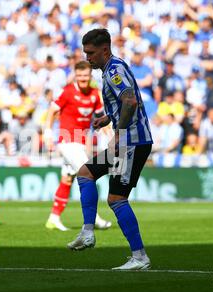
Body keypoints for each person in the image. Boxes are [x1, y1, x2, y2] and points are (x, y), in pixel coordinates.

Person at [67, 29, 153, 270]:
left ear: (105, 49)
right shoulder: (111, 69)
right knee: (85, 173)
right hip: (129, 141)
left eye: (91, 53)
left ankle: (140, 257)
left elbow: (130, 100)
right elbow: (126, 100)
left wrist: (119, 132)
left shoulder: (114, 70)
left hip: (132, 143)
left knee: (116, 199)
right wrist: (108, 117)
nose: (88, 58)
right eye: (85, 53)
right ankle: (87, 232)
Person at [43, 60, 112, 231]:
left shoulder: (95, 94)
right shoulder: (67, 92)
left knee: (67, 178)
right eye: (79, 75)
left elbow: (99, 119)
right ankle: (93, 218)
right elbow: (52, 111)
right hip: (67, 142)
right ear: (75, 75)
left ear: (90, 76)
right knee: (89, 175)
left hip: (81, 143)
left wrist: (110, 136)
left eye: (85, 76)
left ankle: (53, 218)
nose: (82, 79)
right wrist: (48, 132)